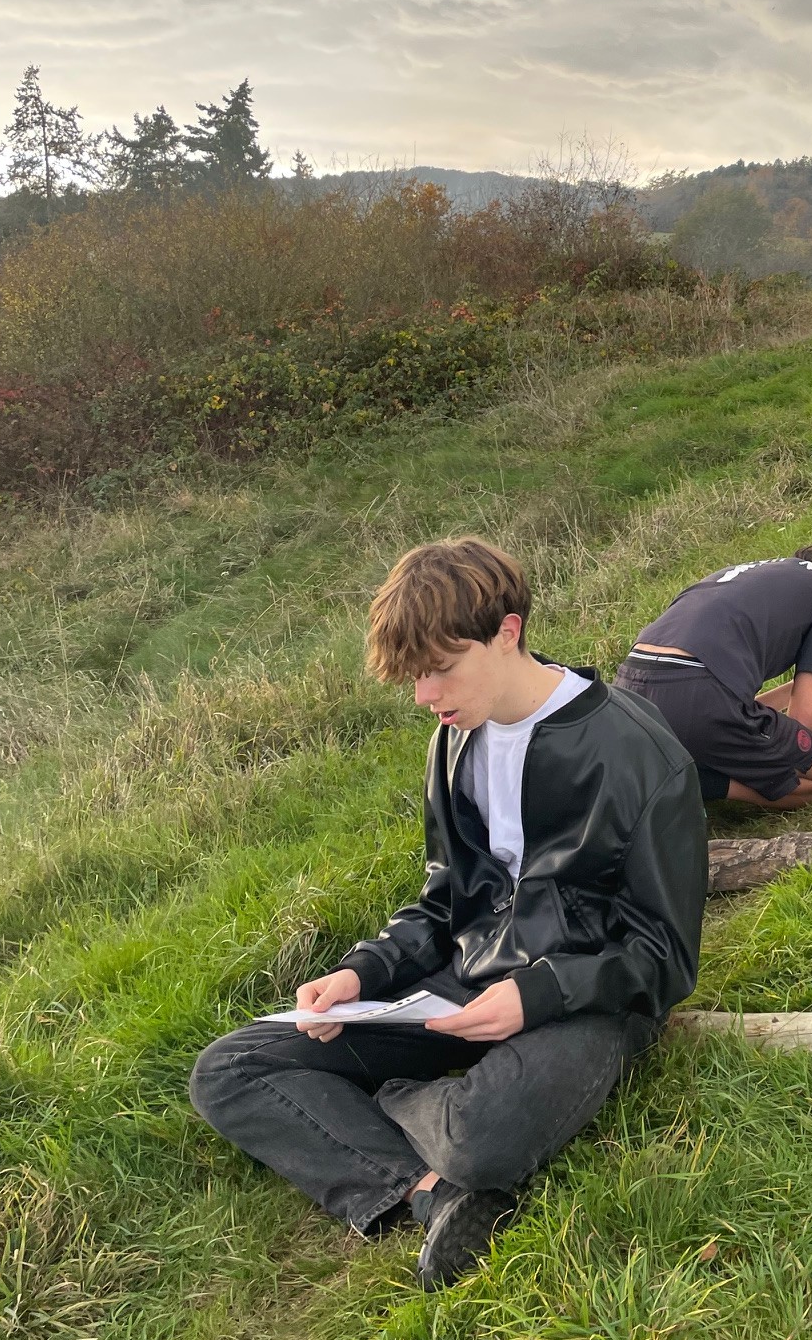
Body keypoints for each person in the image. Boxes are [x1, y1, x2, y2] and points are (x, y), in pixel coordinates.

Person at [190, 536, 707, 1290]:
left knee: (482, 1140)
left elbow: (664, 954)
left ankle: (394, 1103)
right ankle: (428, 1194)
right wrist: (360, 972)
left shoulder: (639, 755)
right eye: (414, 677)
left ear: (508, 632)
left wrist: (537, 994)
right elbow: (444, 898)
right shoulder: (454, 740)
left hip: (586, 1002)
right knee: (230, 1068)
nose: (425, 696)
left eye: (440, 670)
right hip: (461, 981)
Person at [612, 544, 812, 812]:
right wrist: (801, 756)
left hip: (629, 698)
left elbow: (723, 693)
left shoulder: (740, 575)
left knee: (719, 726)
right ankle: (705, 782)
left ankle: (683, 768)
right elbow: (805, 719)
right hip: (699, 694)